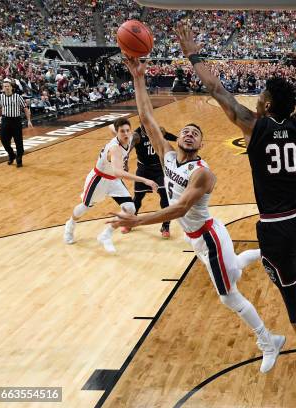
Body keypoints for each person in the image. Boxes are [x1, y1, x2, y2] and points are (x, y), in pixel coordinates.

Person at [110, 56, 285, 374]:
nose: (189, 134)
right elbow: (147, 117)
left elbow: (178, 209)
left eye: (195, 133)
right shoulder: (167, 156)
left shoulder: (202, 173)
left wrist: (136, 220)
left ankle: (268, 340)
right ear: (178, 138)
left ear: (201, 143)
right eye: (186, 131)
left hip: (208, 236)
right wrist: (138, 77)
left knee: (228, 296)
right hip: (200, 236)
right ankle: (271, 252)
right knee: (232, 272)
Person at [175, 22, 296, 382]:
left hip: (275, 226)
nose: (257, 97)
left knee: (286, 291)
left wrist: (192, 54)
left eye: (262, 94)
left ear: (267, 102)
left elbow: (216, 88)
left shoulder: (252, 124)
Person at [63, 118, 158, 253]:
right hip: (99, 180)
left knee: (130, 208)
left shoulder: (128, 137)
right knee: (84, 207)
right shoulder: (114, 149)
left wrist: (116, 130)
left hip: (113, 181)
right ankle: (70, 225)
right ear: (118, 133)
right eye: (122, 131)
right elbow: (118, 172)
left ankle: (106, 235)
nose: (125, 134)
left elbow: (111, 128)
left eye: (127, 130)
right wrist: (145, 180)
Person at [109, 123, 177, 238]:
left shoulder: (159, 129)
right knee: (138, 198)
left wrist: (178, 139)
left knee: (164, 196)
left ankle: (166, 225)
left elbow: (167, 135)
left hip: (159, 169)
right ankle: (131, 221)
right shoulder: (136, 135)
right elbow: (128, 148)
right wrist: (125, 161)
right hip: (144, 170)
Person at [0, 79, 32, 167]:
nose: (6, 88)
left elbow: (25, 108)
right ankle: (11, 154)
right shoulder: (0, 97)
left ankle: (19, 158)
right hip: (5, 120)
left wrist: (29, 120)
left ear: (11, 87)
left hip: (16, 121)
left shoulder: (18, 97)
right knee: (3, 139)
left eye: (8, 86)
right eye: (5, 86)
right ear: (2, 88)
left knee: (18, 141)